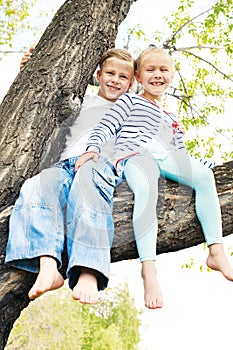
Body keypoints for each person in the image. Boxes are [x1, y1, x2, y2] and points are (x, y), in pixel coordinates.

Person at [75, 47, 233, 309]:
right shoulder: (129, 101)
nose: (157, 75)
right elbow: (107, 126)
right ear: (137, 75)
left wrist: (211, 165)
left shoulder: (170, 116)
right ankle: (149, 269)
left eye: (164, 69)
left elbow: (181, 155)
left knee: (205, 176)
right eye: (150, 70)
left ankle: (216, 250)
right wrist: (92, 148)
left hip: (166, 156)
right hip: (135, 155)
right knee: (146, 188)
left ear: (171, 74)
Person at [5, 47, 136, 305]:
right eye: (110, 73)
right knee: (36, 187)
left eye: (123, 77)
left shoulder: (129, 109)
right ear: (98, 74)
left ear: (131, 83)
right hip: (65, 164)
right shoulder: (83, 100)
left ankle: (88, 270)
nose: (115, 80)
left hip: (99, 163)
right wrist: (34, 65)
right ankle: (48, 265)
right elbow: (47, 93)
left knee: (88, 191)